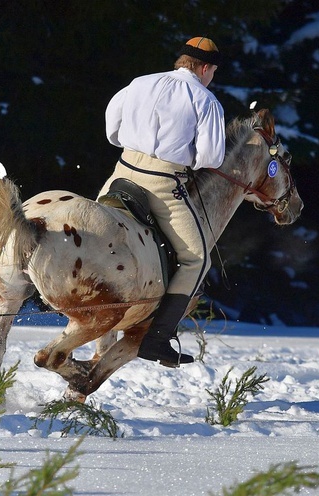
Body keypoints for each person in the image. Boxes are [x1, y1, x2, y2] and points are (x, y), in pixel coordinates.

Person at [98, 37, 225, 367]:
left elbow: (112, 130)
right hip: (163, 183)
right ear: (206, 68)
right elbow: (212, 156)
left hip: (121, 172)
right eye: (213, 71)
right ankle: (157, 339)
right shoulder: (205, 99)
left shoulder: (139, 83)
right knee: (197, 259)